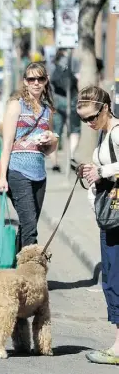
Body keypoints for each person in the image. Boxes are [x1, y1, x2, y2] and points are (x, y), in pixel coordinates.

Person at [0, 62, 58, 252]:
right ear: (25, 81)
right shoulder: (16, 106)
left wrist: (52, 139)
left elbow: (48, 150)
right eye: (32, 79)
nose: (36, 83)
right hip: (17, 171)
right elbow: (6, 144)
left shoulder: (48, 110)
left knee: (26, 225)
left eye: (41, 79)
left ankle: (17, 266)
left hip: (39, 173)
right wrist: (3, 177)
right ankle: (30, 270)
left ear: (46, 81)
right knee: (30, 226)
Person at [78, 86, 119, 365]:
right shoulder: (105, 133)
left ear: (105, 107)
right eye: (83, 120)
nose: (89, 124)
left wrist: (101, 171)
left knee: (115, 278)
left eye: (91, 117)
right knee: (112, 278)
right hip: (111, 215)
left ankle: (117, 349)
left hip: (117, 214)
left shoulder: (116, 131)